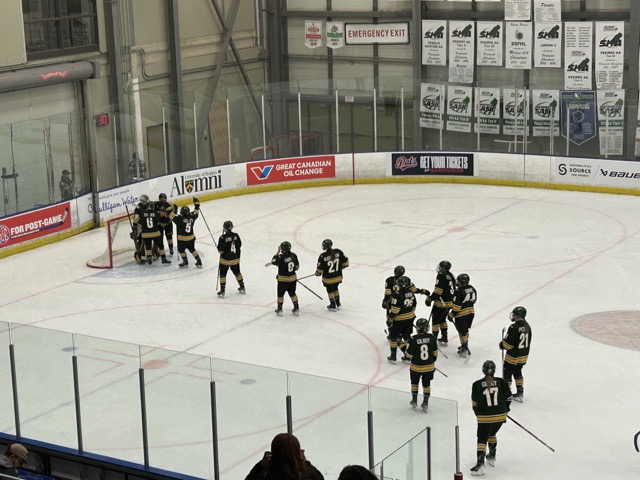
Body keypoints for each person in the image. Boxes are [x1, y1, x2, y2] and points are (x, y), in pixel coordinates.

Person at [470, 360, 512, 476]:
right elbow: (509, 398)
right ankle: (492, 455)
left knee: (482, 438)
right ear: (494, 370)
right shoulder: (502, 382)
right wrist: (505, 410)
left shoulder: (477, 384)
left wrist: (479, 414)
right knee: (492, 432)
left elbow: (475, 403)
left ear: (483, 370)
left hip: (485, 417)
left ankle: (480, 464)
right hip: (500, 416)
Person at [244, 433, 323, 480]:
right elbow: (320, 478)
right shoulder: (308, 476)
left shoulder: (267, 477)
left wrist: (260, 466)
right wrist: (304, 463)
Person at [382, 265, 431, 340]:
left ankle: (393, 333)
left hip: (393, 302)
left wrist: (385, 301)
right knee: (404, 318)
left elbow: (388, 293)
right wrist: (422, 291)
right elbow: (414, 290)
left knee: (392, 317)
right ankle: (403, 333)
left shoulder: (389, 280)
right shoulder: (406, 280)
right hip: (405, 304)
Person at [404, 317, 438, 413]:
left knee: (414, 384)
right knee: (426, 385)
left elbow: (408, 356)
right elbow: (435, 354)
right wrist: (431, 362)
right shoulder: (432, 337)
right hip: (429, 367)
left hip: (416, 368)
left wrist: (403, 347)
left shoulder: (413, 339)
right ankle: (425, 403)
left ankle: (414, 400)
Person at [499, 306, 532, 403]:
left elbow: (508, 345)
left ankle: (507, 394)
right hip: (523, 356)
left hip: (512, 357)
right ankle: (520, 393)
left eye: (514, 314)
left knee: (507, 375)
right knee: (517, 372)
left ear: (518, 316)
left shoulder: (514, 327)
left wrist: (502, 344)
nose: (512, 315)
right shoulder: (527, 326)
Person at [387, 276, 417, 364]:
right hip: (410, 318)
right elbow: (414, 304)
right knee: (407, 337)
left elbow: (395, 309)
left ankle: (393, 356)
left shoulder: (396, 294)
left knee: (393, 337)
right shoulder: (411, 292)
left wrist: (390, 318)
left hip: (399, 320)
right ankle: (407, 356)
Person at [133, 194, 171, 265]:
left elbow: (137, 221)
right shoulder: (154, 212)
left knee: (148, 246)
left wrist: (136, 228)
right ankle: (163, 258)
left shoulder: (140, 210)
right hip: (155, 232)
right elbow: (157, 220)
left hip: (144, 232)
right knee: (160, 245)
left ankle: (149, 258)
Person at [315, 238, 349, 311]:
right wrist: (340, 268)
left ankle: (332, 304)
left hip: (328, 279)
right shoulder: (338, 252)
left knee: (330, 290)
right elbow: (346, 262)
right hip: (338, 277)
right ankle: (338, 303)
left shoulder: (322, 256)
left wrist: (317, 273)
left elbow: (320, 270)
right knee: (335, 288)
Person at [448, 273, 477, 358]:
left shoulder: (458, 290)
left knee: (462, 331)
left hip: (461, 315)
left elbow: (457, 306)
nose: (457, 282)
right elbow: (474, 300)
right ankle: (464, 346)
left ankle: (465, 347)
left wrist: (451, 314)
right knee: (465, 330)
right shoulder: (472, 288)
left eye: (459, 281)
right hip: (471, 312)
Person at [217, 220, 245, 297]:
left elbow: (220, 250)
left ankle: (222, 290)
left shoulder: (222, 237)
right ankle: (242, 286)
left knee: (222, 274)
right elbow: (240, 245)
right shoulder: (236, 235)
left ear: (224, 228)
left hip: (225, 260)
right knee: (237, 272)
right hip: (235, 259)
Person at [270, 241, 300, 316]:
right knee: (292, 293)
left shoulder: (280, 257)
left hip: (283, 280)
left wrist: (277, 253)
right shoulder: (294, 255)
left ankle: (279, 309)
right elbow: (296, 267)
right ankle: (296, 308)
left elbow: (273, 261)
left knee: (280, 295)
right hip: (293, 279)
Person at [430, 260, 456, 345]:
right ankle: (444, 337)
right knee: (442, 320)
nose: (439, 268)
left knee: (435, 321)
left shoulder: (441, 275)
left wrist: (430, 298)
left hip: (441, 303)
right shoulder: (450, 275)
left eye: (441, 266)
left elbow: (438, 291)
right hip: (450, 303)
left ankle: (433, 340)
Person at [172, 200, 202, 268]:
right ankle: (198, 260)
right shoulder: (192, 216)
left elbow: (171, 215)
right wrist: (197, 205)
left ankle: (185, 261)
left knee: (181, 250)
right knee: (192, 249)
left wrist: (173, 210)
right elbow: (196, 212)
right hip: (191, 237)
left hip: (182, 239)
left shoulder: (179, 218)